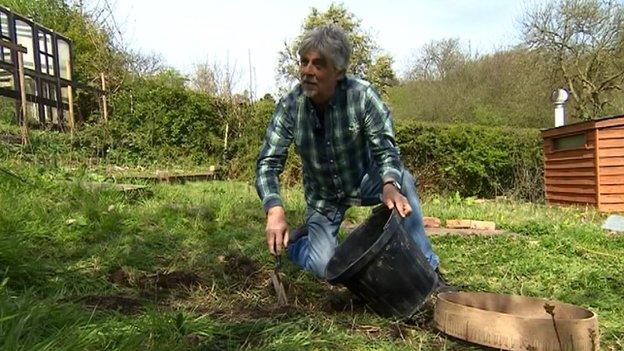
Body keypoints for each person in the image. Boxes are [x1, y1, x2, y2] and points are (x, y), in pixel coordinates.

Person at [255, 24, 442, 281]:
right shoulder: (290, 106)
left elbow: (386, 148)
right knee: (326, 269)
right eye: (304, 62)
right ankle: (299, 242)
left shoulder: (363, 96)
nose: (307, 71)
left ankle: (428, 269)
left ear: (339, 72)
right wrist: (274, 209)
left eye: (318, 65)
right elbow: (268, 162)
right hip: (323, 196)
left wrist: (389, 183)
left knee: (404, 181)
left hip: (365, 180)